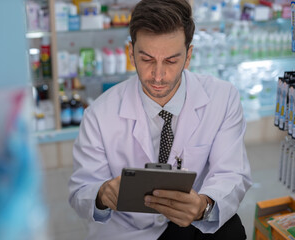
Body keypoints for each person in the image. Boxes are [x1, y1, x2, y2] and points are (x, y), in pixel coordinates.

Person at [68, 0, 252, 239]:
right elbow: (80, 191)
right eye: (146, 59)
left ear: (188, 56)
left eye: (171, 61)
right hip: (129, 230)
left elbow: (232, 174)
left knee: (231, 230)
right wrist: (102, 194)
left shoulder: (222, 98)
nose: (158, 75)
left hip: (190, 224)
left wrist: (203, 205)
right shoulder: (99, 114)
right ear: (131, 54)